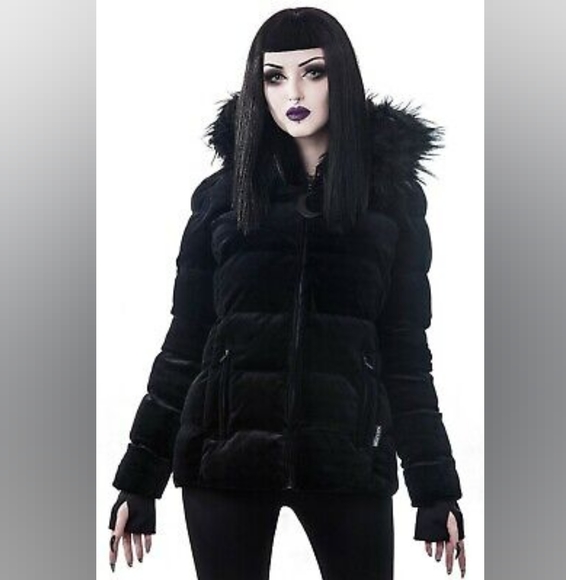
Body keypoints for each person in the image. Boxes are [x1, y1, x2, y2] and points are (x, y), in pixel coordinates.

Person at [107, 7, 468, 579]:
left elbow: (405, 352)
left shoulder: (389, 204)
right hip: (223, 459)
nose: (293, 93)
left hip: (347, 459)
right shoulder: (223, 198)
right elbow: (185, 341)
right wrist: (139, 478)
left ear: (341, 78)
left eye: (313, 72)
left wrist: (435, 487)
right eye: (274, 77)